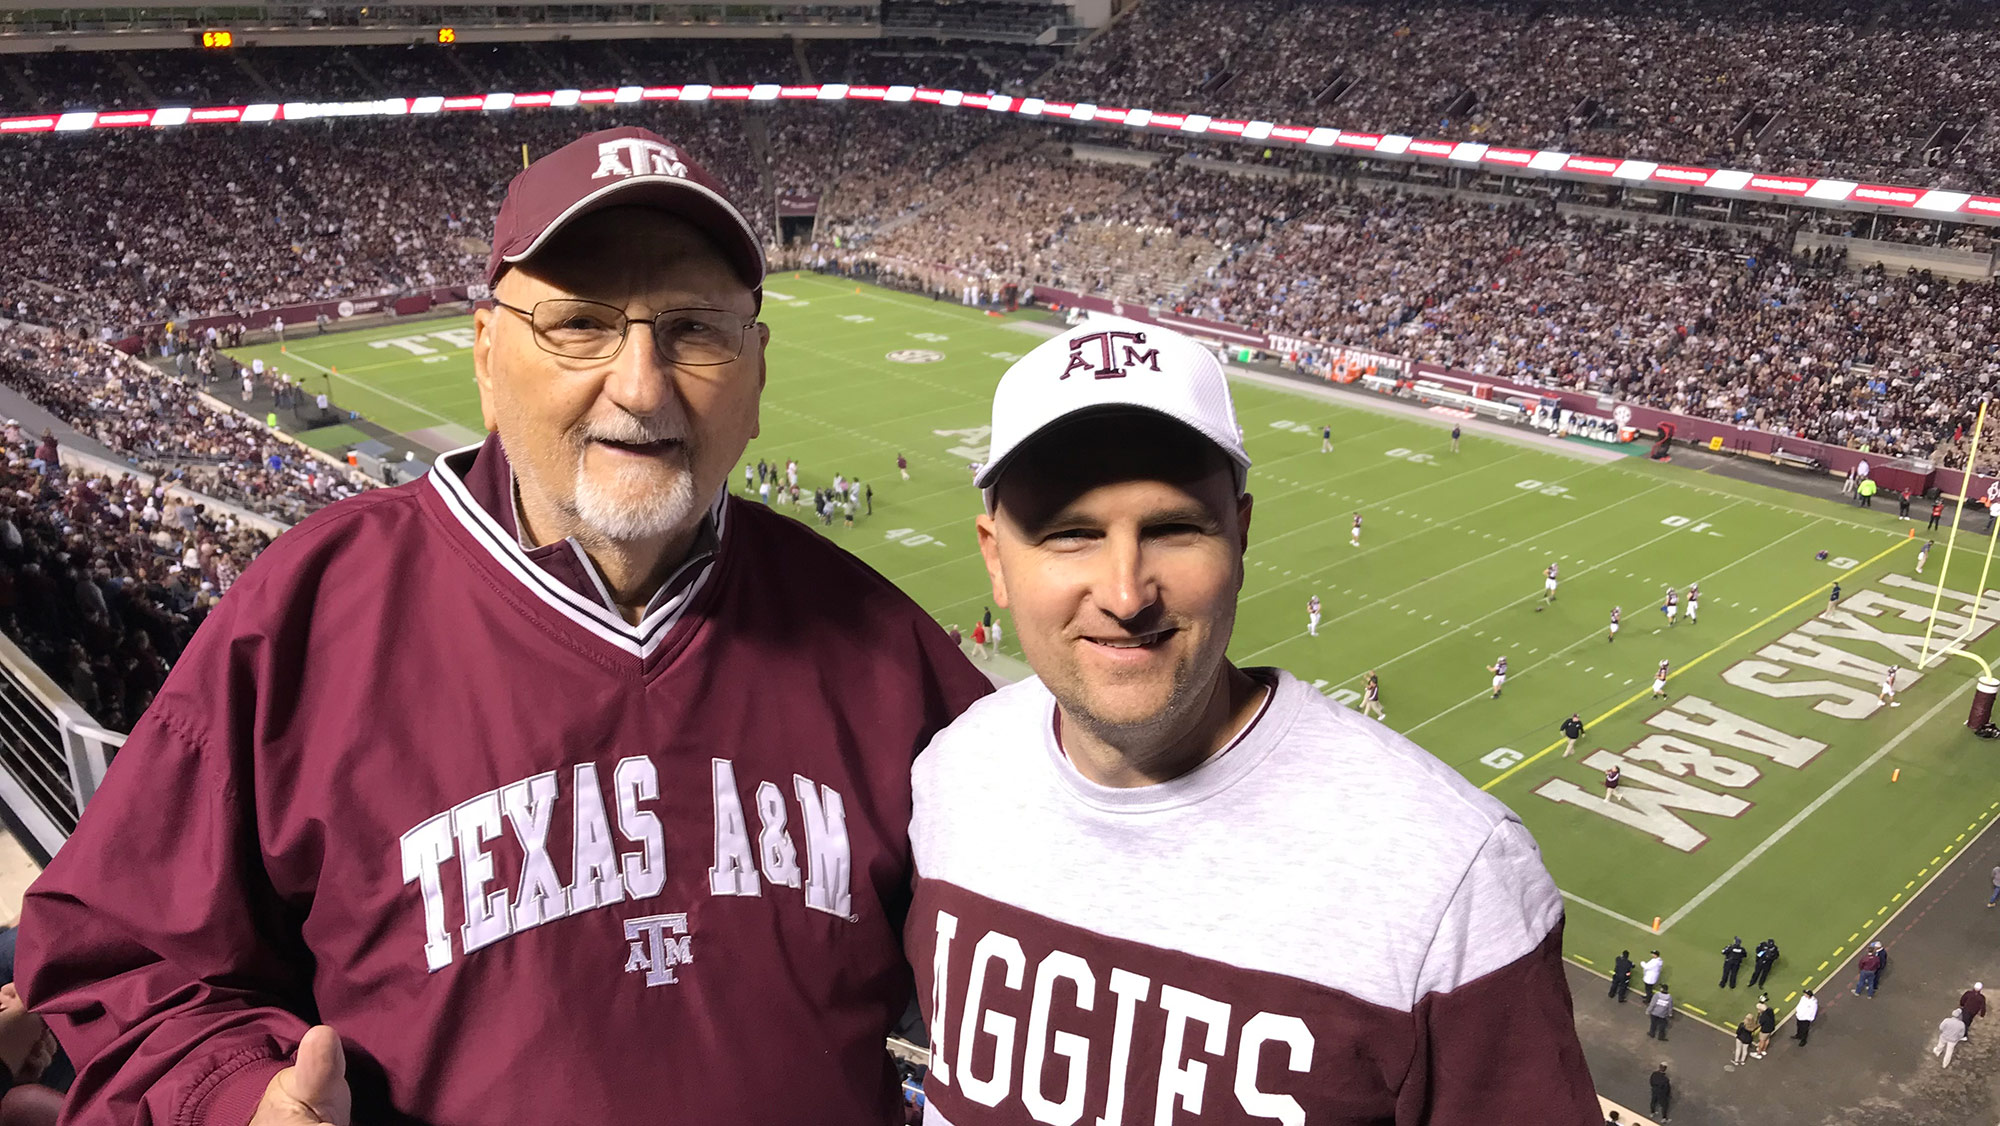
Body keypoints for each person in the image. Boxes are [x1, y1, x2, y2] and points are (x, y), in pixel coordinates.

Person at [16, 125, 995, 1126]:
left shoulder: (880, 644)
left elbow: (1067, 911)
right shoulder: (308, 615)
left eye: (696, 329)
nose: (642, 384)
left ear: (756, 369)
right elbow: (122, 952)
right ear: (486, 353)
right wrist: (233, 1100)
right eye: (578, 322)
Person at [907, 317, 1602, 1124]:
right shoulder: (952, 779)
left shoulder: (1451, 877)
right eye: (1071, 535)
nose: (1127, 594)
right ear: (995, 557)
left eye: (1173, 529)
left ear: (1241, 535)